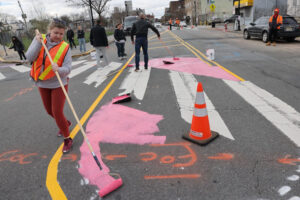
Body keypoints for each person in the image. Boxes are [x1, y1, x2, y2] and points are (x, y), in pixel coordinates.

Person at [25, 18, 73, 153]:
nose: (58, 36)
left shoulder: (65, 47)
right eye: (55, 33)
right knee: (49, 111)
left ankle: (67, 138)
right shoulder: (39, 40)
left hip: (59, 83)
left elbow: (68, 68)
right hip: (42, 82)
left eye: (61, 34)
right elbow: (29, 57)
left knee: (57, 112)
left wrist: (59, 69)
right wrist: (37, 43)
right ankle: (66, 123)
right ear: (49, 31)